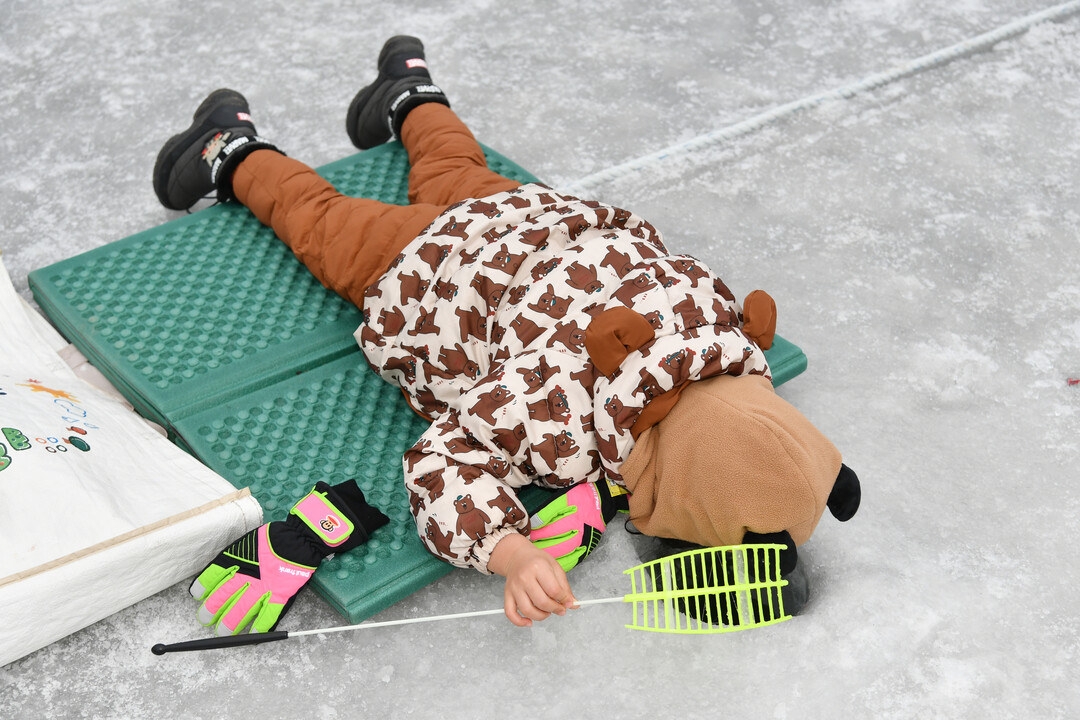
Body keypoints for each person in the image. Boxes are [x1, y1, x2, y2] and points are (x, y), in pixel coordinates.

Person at [155, 36, 861, 634]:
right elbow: (440, 463)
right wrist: (513, 552)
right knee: (321, 223)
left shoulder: (726, 333)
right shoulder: (556, 407)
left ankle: (407, 90)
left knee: (452, 165)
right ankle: (228, 145)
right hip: (432, 268)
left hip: (534, 217)